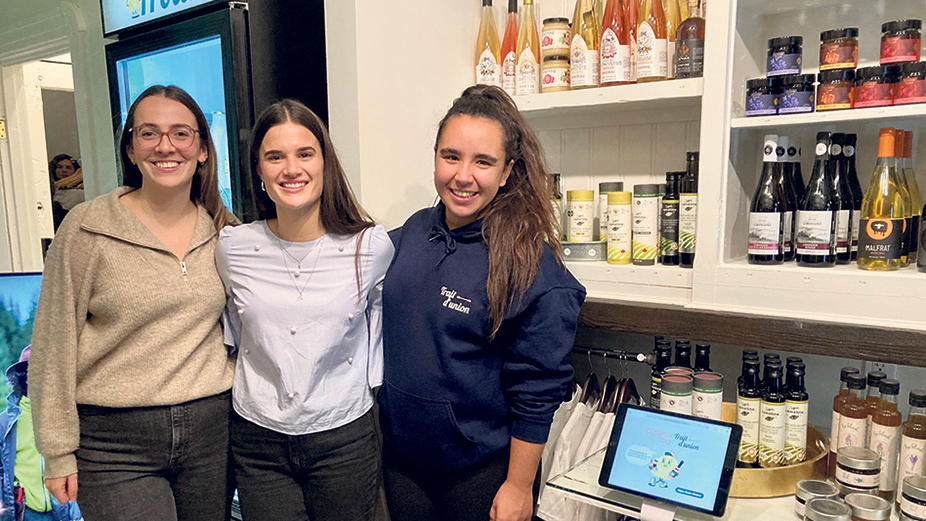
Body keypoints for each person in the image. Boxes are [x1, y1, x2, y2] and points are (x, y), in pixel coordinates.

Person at [378, 84, 586, 521]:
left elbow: (538, 390)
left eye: (483, 162)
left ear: (508, 171)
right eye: (450, 156)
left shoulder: (529, 262)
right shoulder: (412, 233)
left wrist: (518, 486)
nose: (463, 175)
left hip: (482, 474)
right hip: (401, 464)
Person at [30, 85, 237, 521]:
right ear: (130, 147)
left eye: (181, 133)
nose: (166, 146)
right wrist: (57, 450)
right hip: (113, 443)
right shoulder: (88, 227)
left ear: (202, 149)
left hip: (212, 435)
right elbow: (53, 344)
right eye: (149, 133)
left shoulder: (225, 231)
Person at [216, 99, 392, 521]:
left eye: (305, 154)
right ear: (258, 170)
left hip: (344, 435)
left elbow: (378, 333)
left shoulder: (369, 247)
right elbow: (239, 339)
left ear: (325, 163)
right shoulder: (233, 249)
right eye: (274, 156)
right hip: (258, 439)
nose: (291, 169)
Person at [0, 346, 83, 521]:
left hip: (66, 510)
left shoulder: (68, 416)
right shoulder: (5, 421)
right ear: (24, 376)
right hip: (26, 512)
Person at [47, 154, 84, 230]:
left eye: (68, 168)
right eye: (60, 167)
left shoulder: (80, 193)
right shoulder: (46, 189)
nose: (64, 170)